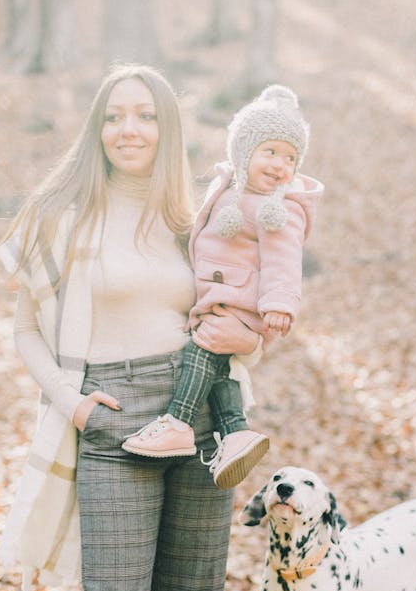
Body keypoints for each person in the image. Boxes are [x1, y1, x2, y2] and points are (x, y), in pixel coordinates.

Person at [0, 64, 260, 591]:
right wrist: (72, 405)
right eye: (117, 115)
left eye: (147, 115)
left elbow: (240, 311)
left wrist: (245, 332)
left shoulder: (196, 219)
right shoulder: (64, 217)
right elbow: (26, 330)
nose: (132, 129)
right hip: (113, 419)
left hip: (199, 416)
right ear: (99, 128)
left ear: (168, 128)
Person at [121, 85, 324, 489]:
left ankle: (178, 420)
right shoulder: (229, 188)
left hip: (243, 302)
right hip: (222, 296)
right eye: (270, 152)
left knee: (204, 348)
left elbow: (284, 261)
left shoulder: (278, 208)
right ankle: (234, 433)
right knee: (219, 365)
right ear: (243, 153)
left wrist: (280, 305)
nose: (280, 165)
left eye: (290, 157)